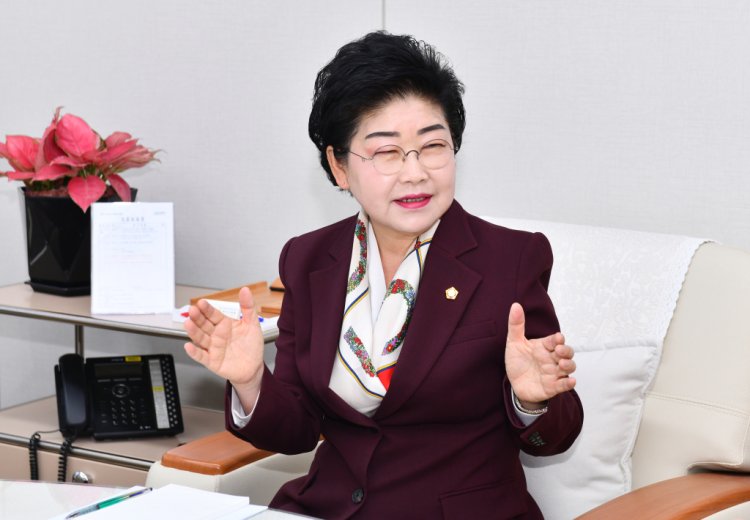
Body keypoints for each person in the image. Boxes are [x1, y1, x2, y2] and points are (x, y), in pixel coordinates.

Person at [184, 31, 583, 519]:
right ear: (339, 167)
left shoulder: (510, 258)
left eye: (432, 146)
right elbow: (298, 429)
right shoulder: (309, 260)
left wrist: (530, 400)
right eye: (387, 152)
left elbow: (555, 437)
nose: (414, 172)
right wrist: (251, 381)